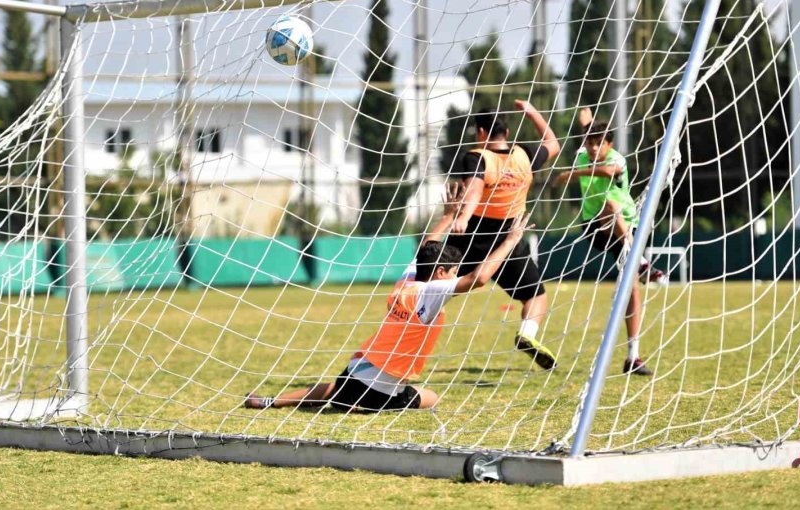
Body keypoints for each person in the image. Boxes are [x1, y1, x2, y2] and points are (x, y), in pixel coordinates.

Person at [243, 186, 532, 412]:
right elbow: (477, 279)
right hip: (378, 392)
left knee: (335, 388)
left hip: (353, 372)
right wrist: (509, 240)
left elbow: (425, 248)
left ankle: (272, 401)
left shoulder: (406, 281)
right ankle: (361, 406)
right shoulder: (431, 292)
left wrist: (447, 218)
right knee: (432, 398)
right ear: (441, 271)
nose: (455, 276)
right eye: (452, 272)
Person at [450, 100, 560, 370]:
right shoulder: (524, 156)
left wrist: (462, 217)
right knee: (536, 296)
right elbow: (553, 143)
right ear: (507, 134)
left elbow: (474, 189)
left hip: (473, 235)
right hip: (508, 238)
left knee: (435, 287)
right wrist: (532, 111)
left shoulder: (476, 156)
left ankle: (406, 326)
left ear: (481, 133)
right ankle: (527, 334)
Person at [553, 107, 656, 376]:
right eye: (590, 143)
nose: (594, 148)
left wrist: (572, 175)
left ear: (609, 145)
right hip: (595, 228)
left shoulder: (616, 159)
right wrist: (585, 118)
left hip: (626, 228)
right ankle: (641, 261)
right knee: (609, 205)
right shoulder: (583, 154)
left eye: (600, 143)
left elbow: (609, 171)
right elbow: (588, 130)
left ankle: (633, 356)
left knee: (632, 289)